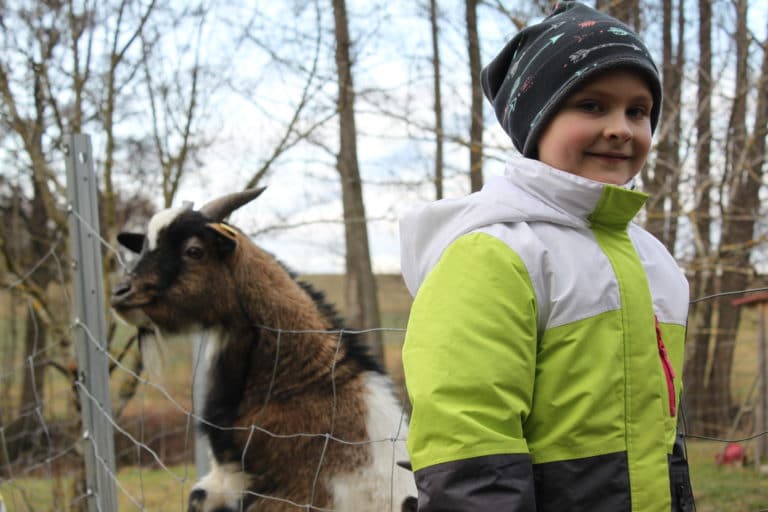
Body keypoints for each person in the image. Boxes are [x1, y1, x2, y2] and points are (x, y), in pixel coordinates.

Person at [399, 2, 695, 511]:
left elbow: (660, 441)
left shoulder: (654, 261)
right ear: (536, 122)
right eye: (592, 106)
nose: (622, 128)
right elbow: (471, 452)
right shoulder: (494, 252)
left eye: (638, 110)